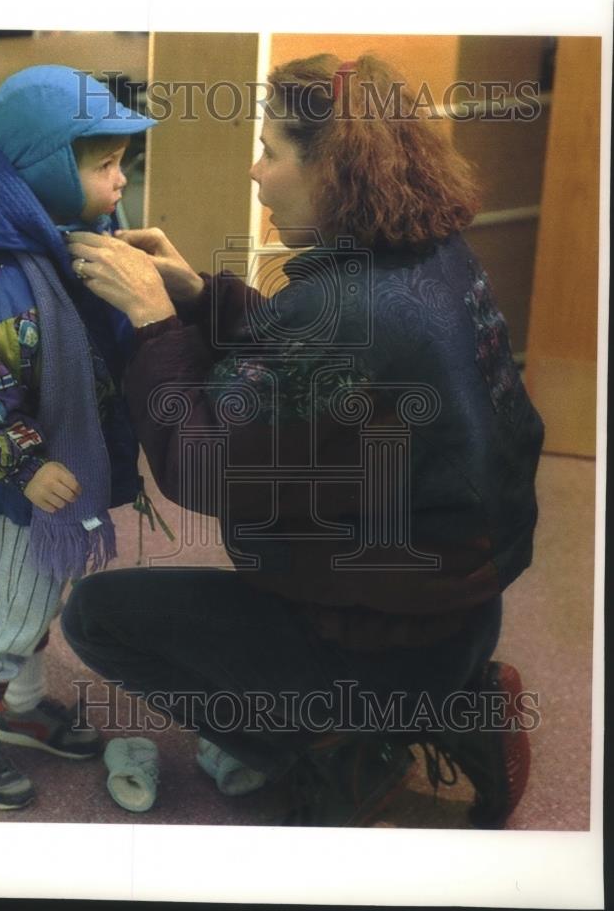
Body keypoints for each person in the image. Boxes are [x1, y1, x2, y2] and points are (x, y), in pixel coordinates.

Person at [60, 54, 545, 827]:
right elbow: (309, 378)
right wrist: (200, 298)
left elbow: (204, 464)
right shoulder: (431, 256)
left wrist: (155, 325)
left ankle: (343, 751)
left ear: (334, 170)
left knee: (96, 616)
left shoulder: (351, 311)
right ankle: (456, 703)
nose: (256, 173)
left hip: (375, 637)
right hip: (457, 614)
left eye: (272, 152)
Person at [0, 65, 157, 810]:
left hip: (56, 477)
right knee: (2, 615)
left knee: (38, 602)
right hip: (13, 490)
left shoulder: (81, 249)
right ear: (42, 176)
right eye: (102, 164)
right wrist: (25, 466)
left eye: (122, 162)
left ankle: (23, 707)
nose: (120, 180)